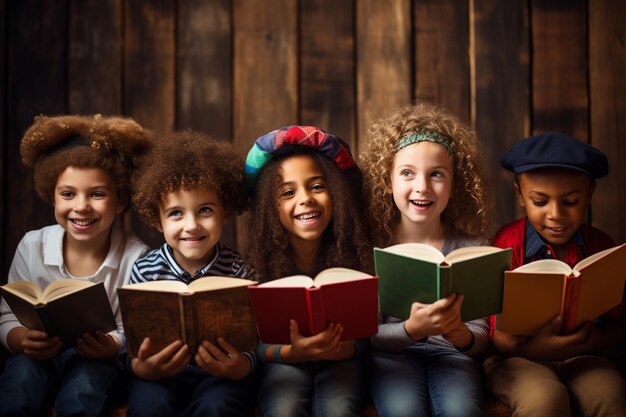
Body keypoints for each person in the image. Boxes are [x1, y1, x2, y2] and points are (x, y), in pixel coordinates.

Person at [0, 114, 153, 417]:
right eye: (68, 194)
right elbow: (7, 314)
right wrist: (19, 339)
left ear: (121, 200)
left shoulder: (137, 258)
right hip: (37, 355)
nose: (81, 206)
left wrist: (112, 345)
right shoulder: (33, 246)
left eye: (97, 194)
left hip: (100, 360)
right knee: (18, 385)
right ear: (52, 196)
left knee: (82, 393)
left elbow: (137, 329)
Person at [360, 102, 492, 417]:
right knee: (403, 410)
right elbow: (368, 334)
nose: (422, 187)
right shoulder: (372, 249)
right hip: (392, 360)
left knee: (462, 411)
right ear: (387, 181)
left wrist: (460, 335)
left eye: (436, 174)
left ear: (455, 185)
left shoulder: (472, 249)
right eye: (407, 173)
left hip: (454, 359)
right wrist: (411, 329)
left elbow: (481, 337)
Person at [484, 132, 626, 417]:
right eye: (540, 201)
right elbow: (500, 339)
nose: (555, 214)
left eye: (570, 202)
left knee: (611, 394)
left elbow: (619, 324)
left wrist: (595, 340)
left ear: (590, 194)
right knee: (545, 400)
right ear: (520, 195)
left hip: (582, 355)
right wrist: (541, 349)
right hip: (515, 358)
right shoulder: (507, 245)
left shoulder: (600, 246)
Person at [126, 130, 257, 417]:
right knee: (148, 406)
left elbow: (254, 338)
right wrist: (140, 366)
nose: (191, 225)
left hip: (220, 376)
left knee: (219, 406)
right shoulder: (144, 270)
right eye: (176, 213)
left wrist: (242, 366)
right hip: (159, 376)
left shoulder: (240, 270)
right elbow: (131, 339)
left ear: (225, 213)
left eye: (204, 210)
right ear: (157, 221)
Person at [244, 125, 372, 417]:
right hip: (284, 362)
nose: (305, 199)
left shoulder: (357, 256)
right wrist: (290, 353)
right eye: (288, 192)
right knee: (282, 408)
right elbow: (256, 344)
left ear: (337, 192)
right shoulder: (257, 266)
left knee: (339, 408)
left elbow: (369, 337)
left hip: (344, 362)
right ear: (269, 207)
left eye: (317, 186)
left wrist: (348, 350)